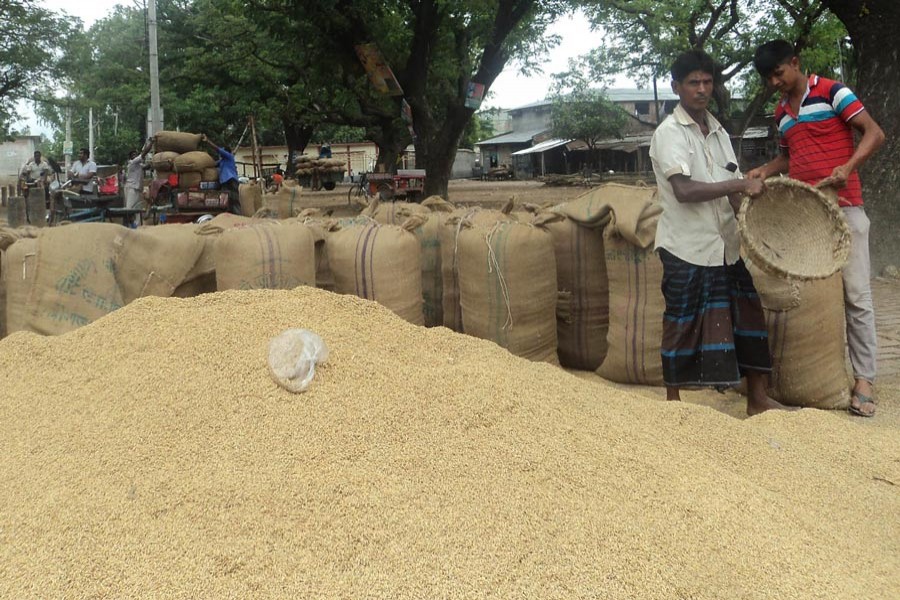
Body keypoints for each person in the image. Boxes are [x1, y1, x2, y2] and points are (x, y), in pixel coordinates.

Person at [649, 49, 794, 416]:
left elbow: (733, 188)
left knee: (748, 315)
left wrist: (752, 227)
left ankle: (757, 400)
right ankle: (673, 404)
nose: (701, 89)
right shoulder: (669, 133)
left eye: (707, 81)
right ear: (676, 87)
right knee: (681, 322)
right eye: (693, 82)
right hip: (687, 245)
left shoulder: (717, 132)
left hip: (726, 245)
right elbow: (684, 191)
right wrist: (738, 186)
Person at [748, 40, 886, 417]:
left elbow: (874, 133)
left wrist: (849, 167)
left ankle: (864, 380)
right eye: (768, 77)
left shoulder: (832, 92)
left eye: (779, 72)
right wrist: (765, 170)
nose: (775, 81)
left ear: (795, 63)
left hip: (845, 211)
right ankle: (815, 377)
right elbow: (788, 156)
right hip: (807, 223)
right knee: (812, 302)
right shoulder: (781, 113)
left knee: (857, 297)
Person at [201, 135, 241, 214]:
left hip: (231, 180)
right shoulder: (222, 161)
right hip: (224, 182)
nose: (220, 154)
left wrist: (208, 141)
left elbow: (217, 149)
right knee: (224, 200)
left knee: (234, 199)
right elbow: (213, 164)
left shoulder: (229, 156)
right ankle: (228, 216)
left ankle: (238, 216)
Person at [124, 138, 154, 227]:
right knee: (130, 209)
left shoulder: (139, 165)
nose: (135, 156)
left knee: (137, 209)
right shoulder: (133, 163)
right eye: (133, 155)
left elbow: (147, 166)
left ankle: (137, 227)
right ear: (130, 157)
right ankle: (128, 227)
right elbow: (144, 153)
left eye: (136, 154)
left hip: (136, 189)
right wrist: (151, 143)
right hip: (132, 188)